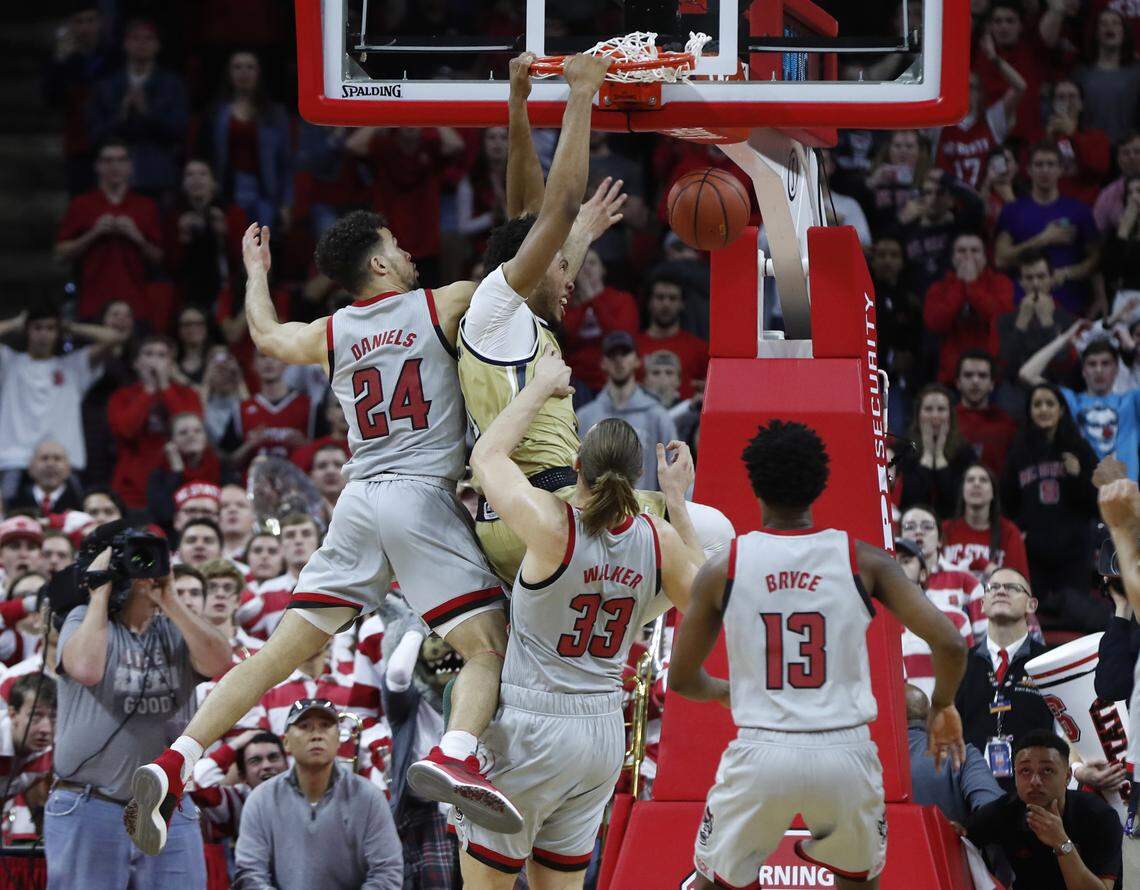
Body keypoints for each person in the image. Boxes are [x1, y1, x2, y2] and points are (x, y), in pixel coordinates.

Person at [123, 62, 622, 844]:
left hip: (356, 499)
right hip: (421, 495)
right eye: (397, 245)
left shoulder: (333, 332)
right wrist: (573, 129)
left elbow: (264, 334)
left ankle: (175, 761)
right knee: (484, 647)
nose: (410, 252)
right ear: (382, 264)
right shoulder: (445, 305)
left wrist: (257, 274)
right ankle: (457, 753)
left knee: (277, 654)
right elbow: (539, 221)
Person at [457, 52, 733, 584]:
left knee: (684, 531)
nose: (574, 281)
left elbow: (526, 220)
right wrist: (580, 93)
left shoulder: (515, 322)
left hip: (536, 509)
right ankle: (645, 643)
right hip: (538, 509)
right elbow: (551, 216)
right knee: (715, 531)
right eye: (564, 268)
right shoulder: (494, 311)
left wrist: (518, 106)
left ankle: (622, 636)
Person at [440, 348, 702, 888]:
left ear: (577, 462)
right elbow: (703, 601)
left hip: (533, 728)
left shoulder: (552, 523)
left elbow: (488, 457)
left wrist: (540, 388)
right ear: (638, 477)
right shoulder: (660, 538)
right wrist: (677, 502)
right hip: (602, 732)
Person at [669, 419, 968, 890]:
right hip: (844, 751)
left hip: (761, 749)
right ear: (821, 484)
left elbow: (684, 679)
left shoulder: (725, 567)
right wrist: (944, 704)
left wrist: (729, 691)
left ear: (755, 484)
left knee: (713, 882)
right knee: (859, 882)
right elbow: (950, 642)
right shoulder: (864, 560)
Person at [48, 538, 230, 889]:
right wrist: (99, 591)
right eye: (132, 564)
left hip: (168, 806)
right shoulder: (82, 618)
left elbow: (222, 662)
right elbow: (85, 667)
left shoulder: (178, 627)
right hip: (89, 803)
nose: (141, 573)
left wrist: (171, 600)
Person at [234, 700, 403, 889]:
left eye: (325, 726)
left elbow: (387, 872)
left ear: (339, 739)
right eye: (305, 726)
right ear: (286, 742)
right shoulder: (260, 800)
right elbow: (249, 874)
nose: (316, 735)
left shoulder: (369, 797)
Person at [964, 730, 1123, 888]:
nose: (1035, 781)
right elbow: (961, 834)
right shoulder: (1005, 811)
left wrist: (1061, 843)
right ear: (1016, 778)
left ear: (1067, 776)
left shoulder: (1099, 816)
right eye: (1025, 771)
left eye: (1047, 770)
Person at [1001, 383, 1100, 624]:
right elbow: (1007, 500)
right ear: (1030, 411)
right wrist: (1020, 532)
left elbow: (1095, 503)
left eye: (1049, 404)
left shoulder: (1080, 449)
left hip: (1074, 552)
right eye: (1037, 404)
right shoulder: (1018, 452)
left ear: (1062, 410)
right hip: (1034, 552)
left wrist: (1077, 476)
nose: (1043, 409)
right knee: (1037, 618)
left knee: (1076, 617)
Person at [0, 307, 123, 493]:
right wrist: (16, 323)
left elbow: (115, 337)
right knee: (9, 520)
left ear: (58, 333)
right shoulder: (9, 362)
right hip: (14, 458)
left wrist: (70, 327)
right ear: (27, 331)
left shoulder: (74, 366)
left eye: (50, 328)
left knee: (71, 519)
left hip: (64, 460)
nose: (44, 334)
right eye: (38, 328)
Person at [954, 568, 1055, 787]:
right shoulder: (959, 664)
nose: (1001, 591)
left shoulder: (1049, 663)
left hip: (1037, 790)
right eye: (993, 588)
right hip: (973, 792)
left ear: (1032, 605)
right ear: (982, 604)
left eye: (1012, 588)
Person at [54, 139, 164, 319]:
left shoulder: (146, 206)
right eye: (108, 161)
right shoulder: (81, 204)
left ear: (130, 167)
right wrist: (93, 234)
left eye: (121, 160)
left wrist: (136, 237)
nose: (115, 166)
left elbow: (159, 257)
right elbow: (60, 254)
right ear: (97, 166)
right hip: (92, 304)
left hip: (135, 304)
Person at [994, 142, 1101, 318]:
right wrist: (1043, 239)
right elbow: (1000, 259)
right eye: (1039, 164)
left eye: (1051, 164)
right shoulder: (1012, 210)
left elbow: (1095, 259)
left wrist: (1067, 273)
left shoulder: (1079, 210)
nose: (1045, 170)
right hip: (1023, 305)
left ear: (1061, 169)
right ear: (1028, 170)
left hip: (1069, 305)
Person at [1020, 328, 1140, 479]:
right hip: (1082, 493)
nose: (1098, 370)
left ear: (1116, 369)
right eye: (1092, 364)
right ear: (1083, 370)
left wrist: (1132, 348)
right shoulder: (1070, 400)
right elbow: (1026, 374)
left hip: (1122, 496)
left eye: (1105, 363)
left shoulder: (1131, 400)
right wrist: (1064, 338)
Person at [86, 20, 187, 197]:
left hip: (158, 176)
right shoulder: (106, 86)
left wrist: (147, 113)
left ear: (157, 45)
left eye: (148, 39)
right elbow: (95, 134)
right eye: (135, 38)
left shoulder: (172, 85)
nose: (141, 44)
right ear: (125, 43)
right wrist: (121, 115)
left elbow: (179, 131)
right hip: (111, 178)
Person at [1097, 476, 1140, 883]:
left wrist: (1125, 529)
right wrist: (1122, 609)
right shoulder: (1130, 626)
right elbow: (1109, 688)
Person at [107, 334, 202, 509]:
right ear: (136, 363)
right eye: (149, 354)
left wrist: (165, 387)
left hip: (178, 479)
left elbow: (189, 430)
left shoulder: (188, 395)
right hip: (132, 485)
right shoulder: (121, 397)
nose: (155, 361)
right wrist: (149, 390)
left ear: (171, 364)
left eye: (161, 355)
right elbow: (126, 430)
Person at [576, 332, 678, 491]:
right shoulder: (585, 417)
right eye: (612, 354)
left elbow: (673, 473)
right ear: (603, 363)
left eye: (625, 353)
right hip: (594, 510)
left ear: (637, 360)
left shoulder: (657, 416)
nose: (619, 360)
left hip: (644, 511)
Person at [905, 683, 1003, 825]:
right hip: (943, 845)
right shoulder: (962, 754)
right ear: (930, 717)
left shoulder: (868, 759)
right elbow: (995, 813)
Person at [925, 232, 1015, 386]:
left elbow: (1001, 319)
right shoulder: (939, 288)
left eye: (974, 251)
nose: (968, 256)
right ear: (953, 258)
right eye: (961, 251)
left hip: (991, 376)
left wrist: (972, 286)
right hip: (951, 378)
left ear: (985, 257)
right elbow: (936, 323)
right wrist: (961, 286)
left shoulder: (1001, 283)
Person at [235, 513, 320, 640]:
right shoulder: (265, 591)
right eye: (290, 535)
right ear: (280, 547)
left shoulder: (334, 586)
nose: (298, 541)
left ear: (318, 542)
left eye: (306, 534)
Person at [895, 384, 977, 514]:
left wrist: (939, 457)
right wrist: (927, 456)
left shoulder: (964, 451)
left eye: (941, 409)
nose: (935, 416)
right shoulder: (902, 448)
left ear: (950, 414)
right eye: (928, 409)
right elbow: (908, 498)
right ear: (918, 414)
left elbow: (958, 501)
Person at [942, 463, 1030, 578]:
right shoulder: (945, 530)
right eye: (970, 480)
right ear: (962, 491)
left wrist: (990, 568)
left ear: (993, 492)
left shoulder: (1010, 532)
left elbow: (1021, 585)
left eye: (983, 480)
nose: (976, 484)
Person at [634, 272, 709, 399]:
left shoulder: (699, 348)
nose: (666, 304)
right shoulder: (632, 346)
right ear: (649, 302)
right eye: (660, 297)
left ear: (682, 304)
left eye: (673, 298)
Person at [954, 350, 1017, 475]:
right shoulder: (946, 421)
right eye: (968, 375)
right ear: (958, 383)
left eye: (982, 375)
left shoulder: (1007, 425)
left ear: (992, 384)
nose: (975, 381)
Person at [7, 440, 85, 516]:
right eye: (44, 458)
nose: (50, 464)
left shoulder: (81, 503)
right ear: (30, 467)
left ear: (69, 468)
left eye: (57, 458)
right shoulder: (13, 504)